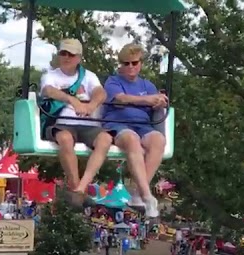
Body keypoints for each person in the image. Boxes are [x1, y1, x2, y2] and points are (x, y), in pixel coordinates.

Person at [39, 39, 113, 198]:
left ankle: (81, 187)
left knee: (105, 139)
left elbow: (101, 93)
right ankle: (75, 186)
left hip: (88, 124)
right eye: (63, 53)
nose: (66, 57)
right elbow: (48, 90)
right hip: (62, 123)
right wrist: (73, 101)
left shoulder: (89, 76)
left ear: (79, 58)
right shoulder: (50, 76)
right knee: (65, 139)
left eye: (71, 54)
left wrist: (92, 106)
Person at [102, 43, 169, 219]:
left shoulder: (148, 85)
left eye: (134, 63)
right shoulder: (113, 81)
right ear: (120, 65)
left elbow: (156, 104)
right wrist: (147, 99)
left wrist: (160, 102)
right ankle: (147, 197)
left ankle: (139, 192)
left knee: (158, 140)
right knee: (132, 141)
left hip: (144, 125)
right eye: (126, 63)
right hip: (119, 124)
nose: (131, 67)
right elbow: (121, 99)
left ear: (140, 63)